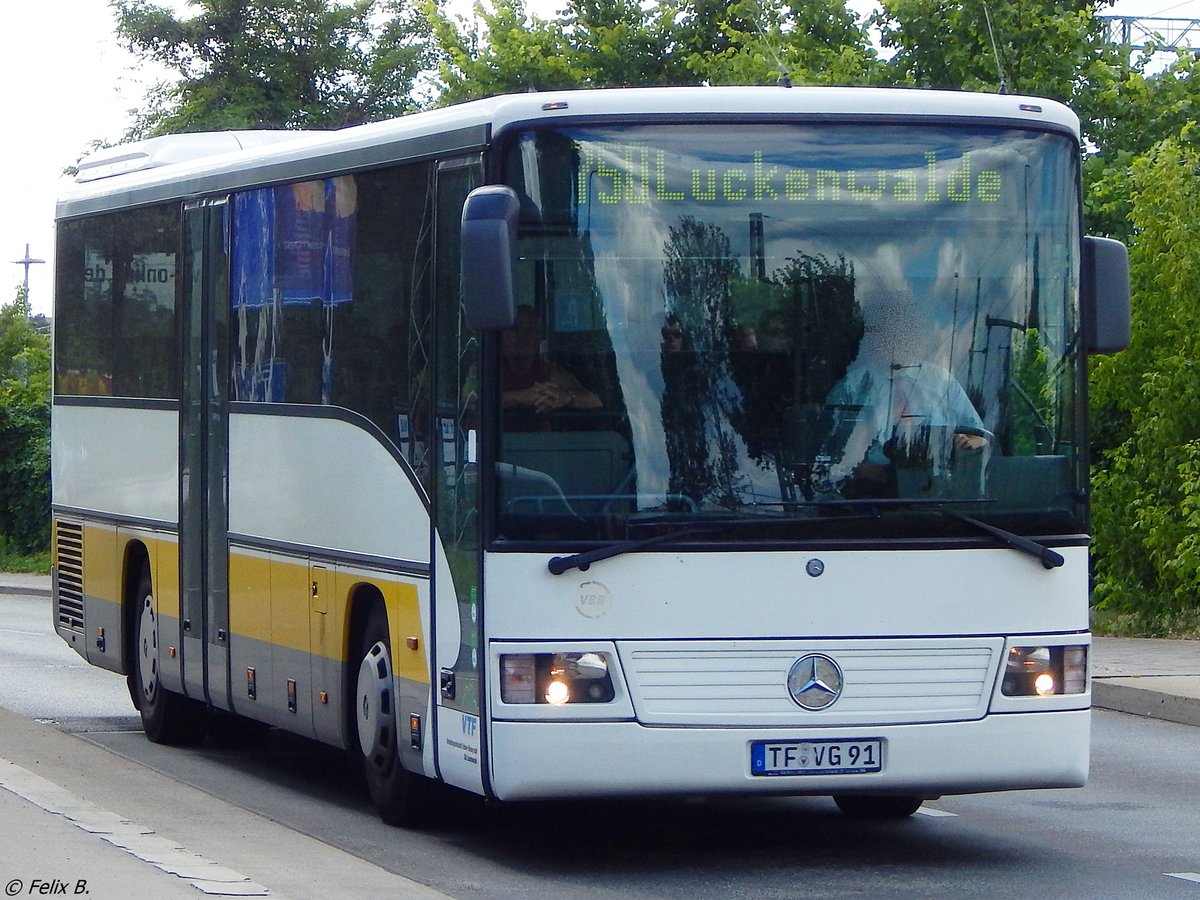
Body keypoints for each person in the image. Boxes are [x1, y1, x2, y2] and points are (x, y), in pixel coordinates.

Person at [821, 293, 989, 496]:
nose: (897, 338)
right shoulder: (851, 386)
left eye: (905, 330)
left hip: (936, 493)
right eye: (889, 330)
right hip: (866, 495)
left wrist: (966, 442)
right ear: (874, 336)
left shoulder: (941, 381)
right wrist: (857, 467)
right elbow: (827, 452)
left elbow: (980, 437)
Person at [501, 305, 601, 424]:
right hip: (494, 440)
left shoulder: (549, 372)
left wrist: (567, 398)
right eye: (515, 330)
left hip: (542, 441)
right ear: (502, 335)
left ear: (539, 337)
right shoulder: (487, 369)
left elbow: (595, 401)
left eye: (530, 330)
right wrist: (520, 397)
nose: (521, 336)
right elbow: (475, 403)